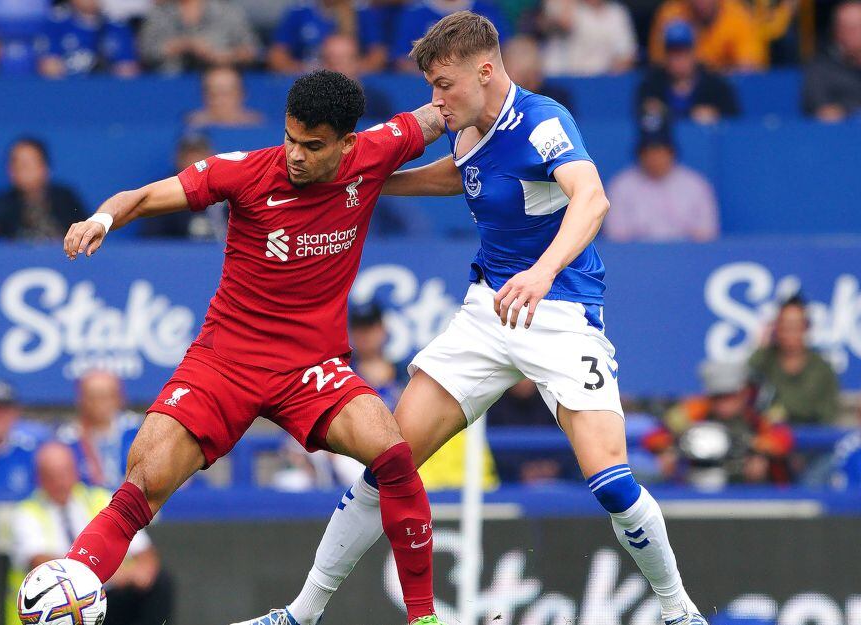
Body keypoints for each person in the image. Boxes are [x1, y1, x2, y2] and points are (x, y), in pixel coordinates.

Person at [238, 13, 708, 625]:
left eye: (443, 84)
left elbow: (593, 199)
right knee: (389, 462)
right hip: (488, 311)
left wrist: (541, 272)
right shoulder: (467, 129)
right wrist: (363, 183)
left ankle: (678, 612)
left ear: (485, 71)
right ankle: (301, 614)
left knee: (612, 483)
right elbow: (459, 179)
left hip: (560, 311)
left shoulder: (543, 122)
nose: (435, 100)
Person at [57, 70, 450, 625]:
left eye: (312, 147)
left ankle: (424, 618)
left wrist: (496, 102)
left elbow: (440, 113)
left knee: (394, 454)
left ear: (346, 143)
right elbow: (146, 196)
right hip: (226, 363)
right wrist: (102, 218)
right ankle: (70, 583)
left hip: (311, 367)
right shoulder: (246, 172)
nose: (295, 155)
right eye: (291, 138)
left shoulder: (377, 151)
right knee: (145, 478)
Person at [7, 443, 172, 625]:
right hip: (54, 605)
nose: (60, 482)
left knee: (160, 582)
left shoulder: (102, 500)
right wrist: (113, 575)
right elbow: (41, 562)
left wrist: (143, 572)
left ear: (76, 471)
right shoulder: (26, 512)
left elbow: (145, 553)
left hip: (106, 598)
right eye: (51, 476)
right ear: (40, 479)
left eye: (64, 473)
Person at [653, 361, 793, 489]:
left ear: (744, 392)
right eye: (717, 396)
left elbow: (782, 440)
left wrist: (754, 446)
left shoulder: (760, 411)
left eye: (730, 395)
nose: (723, 403)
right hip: (699, 480)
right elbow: (655, 435)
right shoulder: (696, 408)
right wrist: (669, 449)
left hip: (752, 486)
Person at [604, 121, 720, 242]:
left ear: (672, 153)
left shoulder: (695, 184)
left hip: (687, 256)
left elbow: (708, 233)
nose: (655, 159)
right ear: (639, 155)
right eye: (649, 152)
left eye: (661, 152)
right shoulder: (621, 185)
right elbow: (615, 235)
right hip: (636, 256)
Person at [748, 295, 840, 425]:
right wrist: (762, 347)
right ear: (776, 328)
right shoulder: (764, 361)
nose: (790, 332)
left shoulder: (822, 369)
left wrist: (786, 412)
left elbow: (827, 416)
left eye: (796, 326)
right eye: (785, 326)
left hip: (809, 440)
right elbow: (746, 383)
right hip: (769, 438)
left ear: (806, 327)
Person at [802, 0, 861, 121]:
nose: (855, 34)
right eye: (848, 28)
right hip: (841, 137)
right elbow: (821, 110)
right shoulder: (820, 68)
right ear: (836, 33)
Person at [637, 21, 740, 124]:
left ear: (694, 52)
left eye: (684, 51)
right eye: (673, 52)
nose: (679, 59)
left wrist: (717, 116)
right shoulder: (651, 86)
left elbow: (736, 123)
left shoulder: (716, 86)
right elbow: (638, 119)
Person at [56, 370, 143, 490]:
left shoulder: (137, 429)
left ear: (120, 398)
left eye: (106, 396)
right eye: (92, 397)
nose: (99, 403)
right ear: (80, 400)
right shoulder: (68, 438)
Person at [0, 137, 86, 241]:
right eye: (15, 164)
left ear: (45, 167)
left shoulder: (65, 199)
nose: (20, 169)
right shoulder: (2, 205)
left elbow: (86, 232)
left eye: (27, 164)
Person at [140, 134, 228, 241]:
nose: (195, 161)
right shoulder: (163, 193)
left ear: (212, 156)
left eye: (200, 154)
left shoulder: (228, 186)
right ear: (178, 159)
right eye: (188, 156)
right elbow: (152, 241)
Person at [137, 0, 258, 74]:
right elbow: (145, 52)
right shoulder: (159, 13)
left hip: (219, 85)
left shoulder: (227, 12)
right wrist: (184, 44)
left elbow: (251, 52)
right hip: (168, 84)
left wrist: (224, 58)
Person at [268, 0, 387, 74]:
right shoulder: (299, 12)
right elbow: (277, 57)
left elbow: (378, 56)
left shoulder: (362, 12)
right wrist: (305, 70)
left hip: (352, 82)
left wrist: (348, 69)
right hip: (310, 81)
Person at [649, 0, 767, 71]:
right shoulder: (671, 15)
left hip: (726, 90)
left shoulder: (738, 16)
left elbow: (750, 67)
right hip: (684, 89)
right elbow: (660, 63)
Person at [392, 0, 508, 71]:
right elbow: (403, 60)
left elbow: (504, 50)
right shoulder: (414, 13)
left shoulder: (487, 8)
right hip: (426, 86)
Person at [37, 0, 139, 78]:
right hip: (67, 91)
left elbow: (128, 69)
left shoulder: (117, 28)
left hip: (106, 92)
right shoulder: (56, 25)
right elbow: (49, 66)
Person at [538, 0, 638, 76]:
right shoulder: (571, 7)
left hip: (602, 79)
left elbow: (626, 52)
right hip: (564, 76)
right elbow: (553, 23)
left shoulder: (617, 12)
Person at [501, 35, 574, 110]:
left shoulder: (556, 98)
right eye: (519, 73)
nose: (525, 80)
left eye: (530, 72)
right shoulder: (495, 101)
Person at [184, 65, 265, 129]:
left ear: (242, 94)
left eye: (226, 93)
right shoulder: (193, 127)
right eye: (212, 93)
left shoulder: (255, 125)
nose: (219, 100)